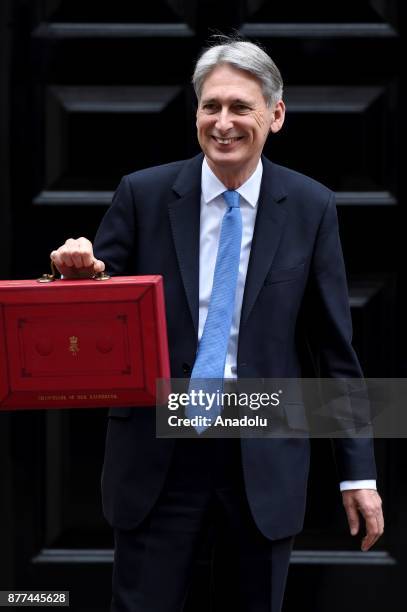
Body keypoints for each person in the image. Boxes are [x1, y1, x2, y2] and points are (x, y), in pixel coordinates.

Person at [51, 37, 384, 612]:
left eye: (240, 107)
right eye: (211, 106)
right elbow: (94, 320)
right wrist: (74, 276)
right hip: (159, 458)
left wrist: (359, 475)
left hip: (263, 457)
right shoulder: (145, 194)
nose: (223, 123)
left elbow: (334, 351)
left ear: (275, 115)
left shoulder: (310, 207)